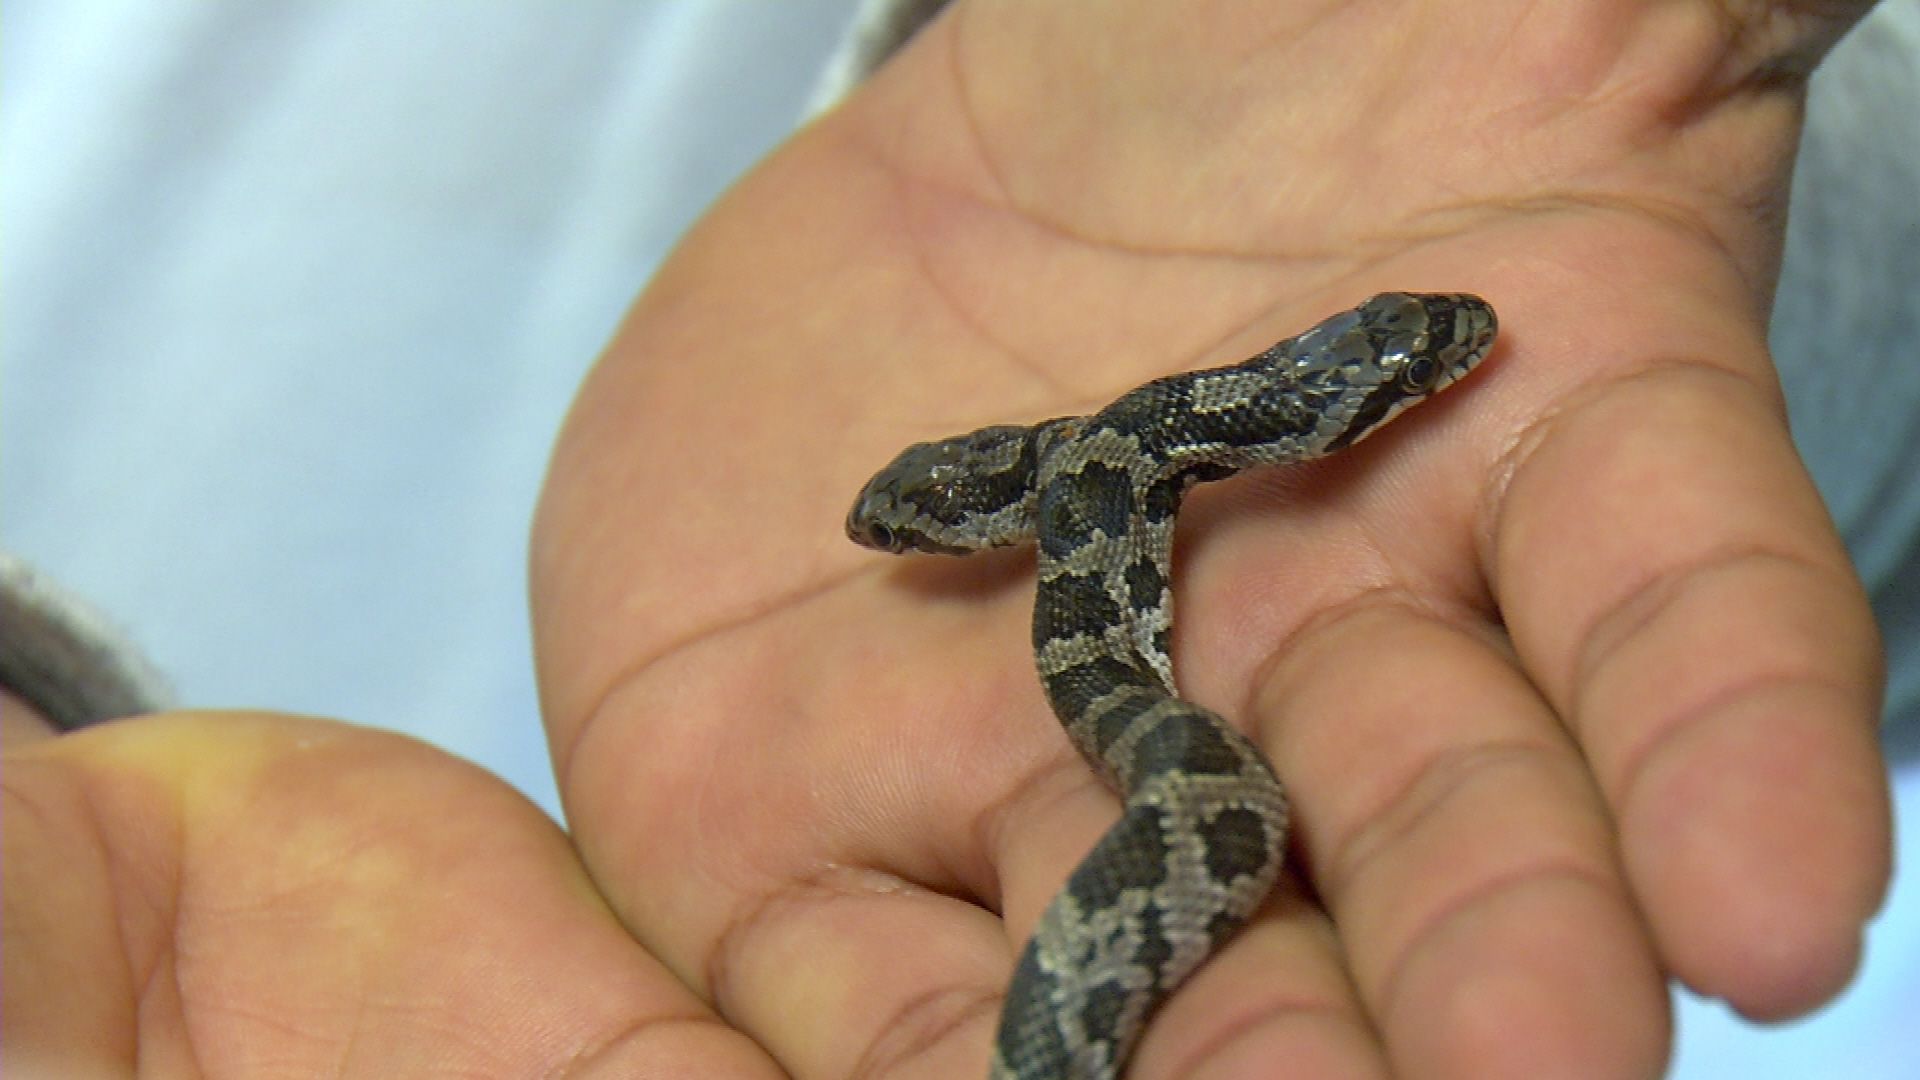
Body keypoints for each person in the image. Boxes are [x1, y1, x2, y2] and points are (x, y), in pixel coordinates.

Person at [5, 1, 1914, 1076]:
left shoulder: (1211, 401)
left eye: (1420, 372)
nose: (1445, 363)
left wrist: (1742, 308)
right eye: (1422, 364)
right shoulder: (1116, 470)